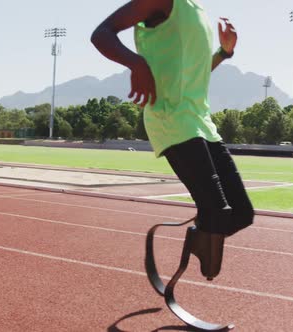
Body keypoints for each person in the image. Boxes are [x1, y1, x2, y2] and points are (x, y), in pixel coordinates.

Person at [91, 0, 254, 239]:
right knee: (216, 212)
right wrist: (137, 64)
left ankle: (199, 237)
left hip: (201, 121)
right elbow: (101, 34)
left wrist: (223, 52)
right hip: (171, 118)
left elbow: (194, 72)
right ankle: (201, 250)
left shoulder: (197, 11)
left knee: (242, 214)